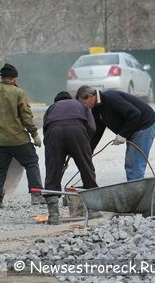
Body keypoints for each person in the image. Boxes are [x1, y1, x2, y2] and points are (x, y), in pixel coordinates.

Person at [0, 63, 45, 210]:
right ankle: (37, 196)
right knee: (31, 162)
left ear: (2, 77)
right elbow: (26, 117)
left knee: (0, 169)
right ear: (14, 78)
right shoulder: (18, 93)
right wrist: (35, 135)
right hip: (18, 139)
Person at [76, 86, 155, 181]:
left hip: (144, 125)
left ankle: (136, 192)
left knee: (134, 164)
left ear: (90, 96)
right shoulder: (96, 109)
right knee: (132, 164)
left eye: (84, 104)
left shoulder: (110, 98)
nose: (84, 107)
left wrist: (123, 134)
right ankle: (135, 189)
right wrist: (88, 152)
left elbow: (135, 114)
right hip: (134, 128)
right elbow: (97, 133)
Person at [42, 91, 98, 225]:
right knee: (86, 168)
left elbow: (46, 130)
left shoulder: (51, 108)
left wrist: (56, 153)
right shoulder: (81, 105)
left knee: (52, 171)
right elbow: (92, 127)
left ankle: (54, 215)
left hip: (53, 132)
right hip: (77, 130)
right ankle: (94, 209)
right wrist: (82, 145)